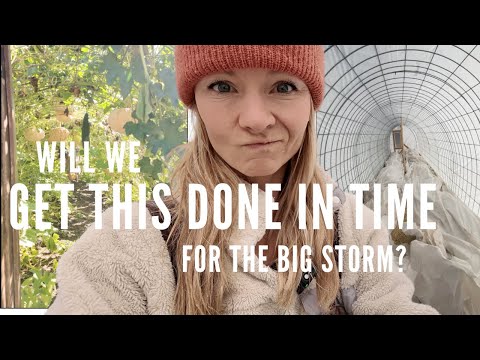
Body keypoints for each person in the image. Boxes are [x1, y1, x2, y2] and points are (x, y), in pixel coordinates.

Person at [47, 45, 439, 315]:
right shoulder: (128, 244)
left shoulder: (353, 228)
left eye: (283, 86)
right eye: (222, 86)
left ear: (311, 101)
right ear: (195, 101)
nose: (256, 118)